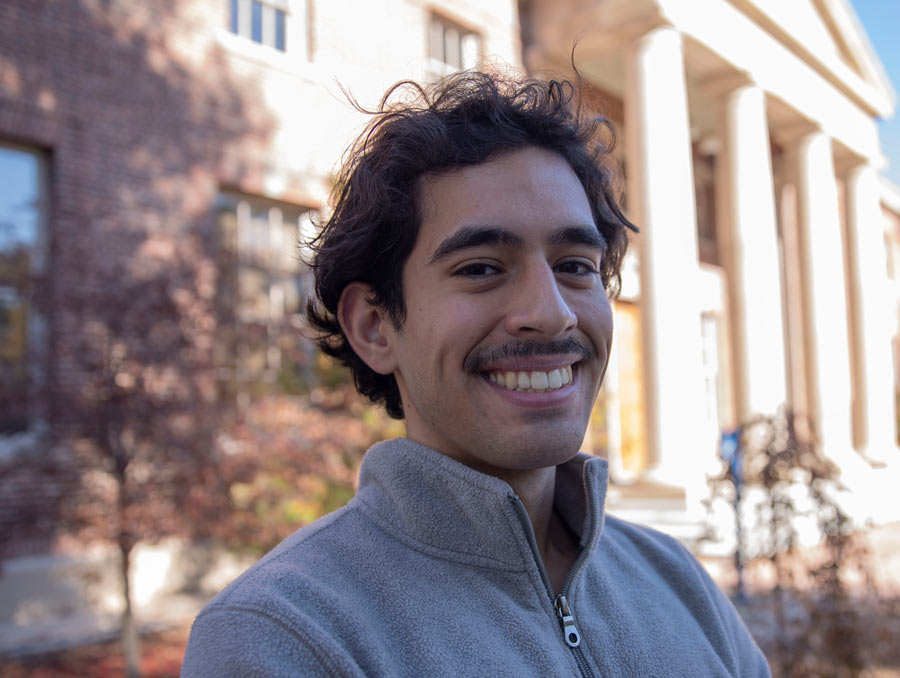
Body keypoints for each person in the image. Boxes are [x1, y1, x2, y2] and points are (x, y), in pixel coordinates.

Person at [181, 70, 770, 677]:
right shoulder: (283, 636)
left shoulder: (675, 581)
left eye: (575, 265)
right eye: (482, 268)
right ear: (375, 327)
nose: (552, 313)